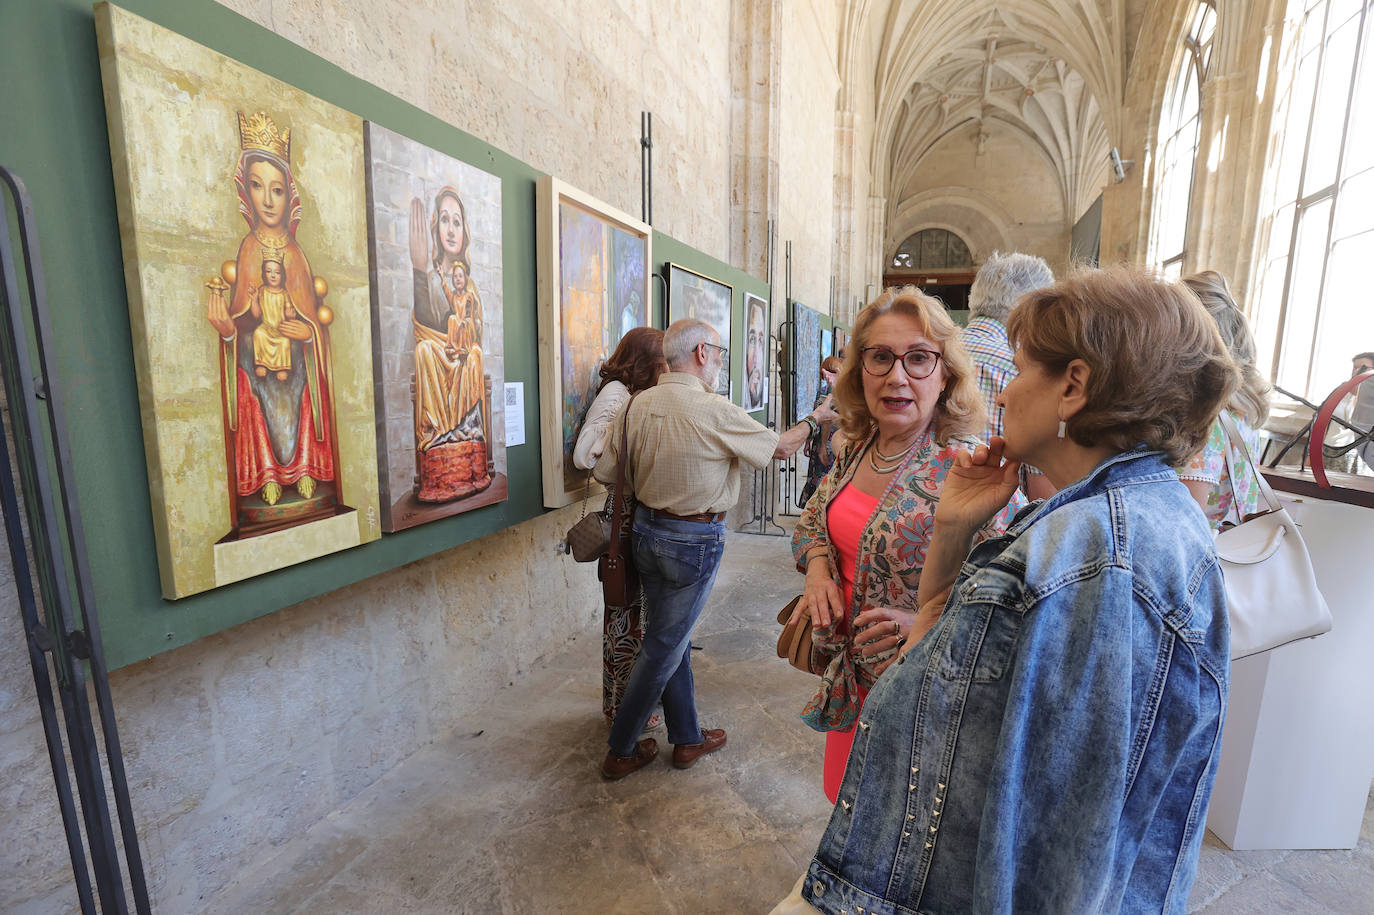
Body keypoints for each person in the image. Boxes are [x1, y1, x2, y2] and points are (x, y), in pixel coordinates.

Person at [773, 268, 1238, 915]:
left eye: (1018, 370)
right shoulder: (1119, 520)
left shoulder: (1093, 553)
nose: (1007, 391)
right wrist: (952, 530)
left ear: (1072, 387)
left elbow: (1054, 833)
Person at [791, 290, 1023, 803]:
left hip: (916, 689)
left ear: (947, 375)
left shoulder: (966, 469)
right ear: (859, 373)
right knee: (846, 806)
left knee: (897, 827)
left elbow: (1009, 599)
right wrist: (819, 568)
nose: (898, 377)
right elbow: (814, 518)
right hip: (849, 676)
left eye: (919, 358)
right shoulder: (859, 448)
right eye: (880, 357)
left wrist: (926, 623)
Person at [593, 318, 828, 779]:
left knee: (669, 637)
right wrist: (813, 420)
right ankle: (620, 748)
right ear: (701, 353)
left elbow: (605, 472)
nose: (720, 360)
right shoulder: (714, 410)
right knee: (663, 645)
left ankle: (687, 738)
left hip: (645, 534)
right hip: (692, 543)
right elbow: (778, 450)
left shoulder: (637, 404)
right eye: (719, 352)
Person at [205, 110, 339, 518]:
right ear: (246, 191)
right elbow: (244, 317)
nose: (268, 199)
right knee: (249, 386)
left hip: (297, 362)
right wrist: (229, 332)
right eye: (258, 187)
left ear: (289, 196)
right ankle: (265, 476)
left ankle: (304, 470)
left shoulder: (296, 254)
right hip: (257, 355)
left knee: (298, 387)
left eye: (277, 189)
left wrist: (308, 334)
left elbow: (315, 322)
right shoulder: (248, 249)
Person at [572, 327, 668, 731]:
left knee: (632, 614)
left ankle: (627, 705)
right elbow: (585, 453)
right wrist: (621, 448)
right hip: (625, 517)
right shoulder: (616, 395)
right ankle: (626, 711)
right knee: (626, 612)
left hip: (635, 514)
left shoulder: (629, 394)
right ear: (646, 362)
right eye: (662, 359)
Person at [408, 187, 490, 502]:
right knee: (423, 351)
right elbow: (424, 329)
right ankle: (438, 442)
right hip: (440, 350)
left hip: (463, 351)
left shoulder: (469, 286)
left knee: (476, 356)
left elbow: (476, 329)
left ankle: (464, 434)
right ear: (436, 228)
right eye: (445, 220)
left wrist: (464, 341)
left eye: (457, 221)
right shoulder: (429, 278)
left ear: (464, 230)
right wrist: (418, 270)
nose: (451, 229)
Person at [1175, 270, 1271, 529]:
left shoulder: (1203, 416)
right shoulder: (1244, 409)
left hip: (1200, 559)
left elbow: (1186, 523)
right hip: (1231, 548)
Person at [962, 251, 1056, 500]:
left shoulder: (929, 358)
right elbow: (1042, 496)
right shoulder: (1027, 373)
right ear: (1030, 309)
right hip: (1000, 523)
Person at [797, 356, 844, 508]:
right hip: (822, 439)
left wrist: (823, 445)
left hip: (830, 440)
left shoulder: (833, 392)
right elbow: (816, 415)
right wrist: (808, 440)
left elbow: (826, 421)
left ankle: (818, 508)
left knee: (824, 477)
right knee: (821, 476)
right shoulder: (825, 390)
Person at [250, 252, 297, 381]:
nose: (273, 275)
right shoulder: (262, 291)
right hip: (266, 328)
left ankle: (282, 368)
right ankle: (262, 364)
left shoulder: (284, 294)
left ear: (282, 275)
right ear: (264, 274)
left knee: (284, 342)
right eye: (269, 271)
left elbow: (289, 310)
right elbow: (257, 314)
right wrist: (254, 300)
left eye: (277, 272)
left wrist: (290, 315)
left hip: (280, 330)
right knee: (258, 334)